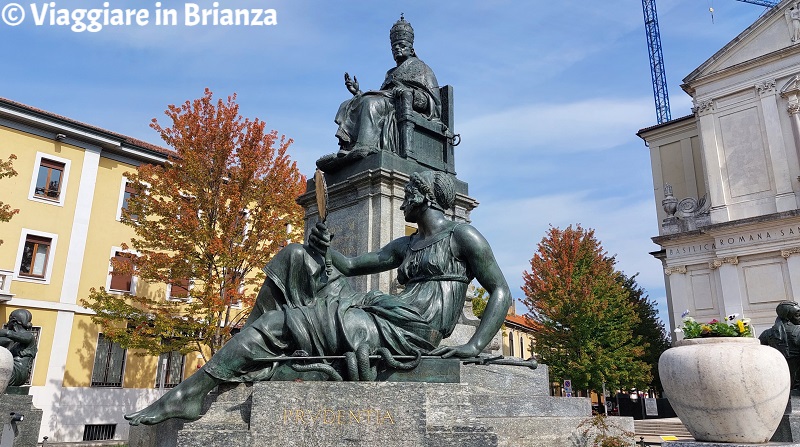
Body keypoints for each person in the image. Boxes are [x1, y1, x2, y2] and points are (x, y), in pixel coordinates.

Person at [125, 171, 511, 426]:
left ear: (424, 196)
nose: (401, 201)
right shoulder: (405, 244)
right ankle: (241, 345)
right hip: (384, 314)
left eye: (408, 194)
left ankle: (189, 394)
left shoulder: (462, 237)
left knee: (282, 323)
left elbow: (500, 289)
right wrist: (321, 247)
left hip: (411, 330)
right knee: (295, 255)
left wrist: (475, 343)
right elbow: (348, 265)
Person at [333, 15, 441, 159]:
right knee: (348, 103)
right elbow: (382, 95)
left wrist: (409, 92)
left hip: (401, 105)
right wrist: (358, 92)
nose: (397, 49)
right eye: (394, 47)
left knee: (370, 103)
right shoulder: (390, 73)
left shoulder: (422, 68)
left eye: (402, 45)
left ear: (412, 49)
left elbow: (431, 102)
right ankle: (348, 145)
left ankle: (365, 146)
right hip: (389, 102)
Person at [759, 301, 800, 389]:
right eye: (797, 315)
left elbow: (757, 353)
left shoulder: (768, 333)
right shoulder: (798, 331)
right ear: (787, 317)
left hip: (780, 381)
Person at [0, 309, 37, 387]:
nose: (7, 323)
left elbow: (7, 333)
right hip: (8, 369)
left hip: (18, 372)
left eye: (9, 320)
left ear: (14, 321)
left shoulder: (29, 337)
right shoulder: (13, 340)